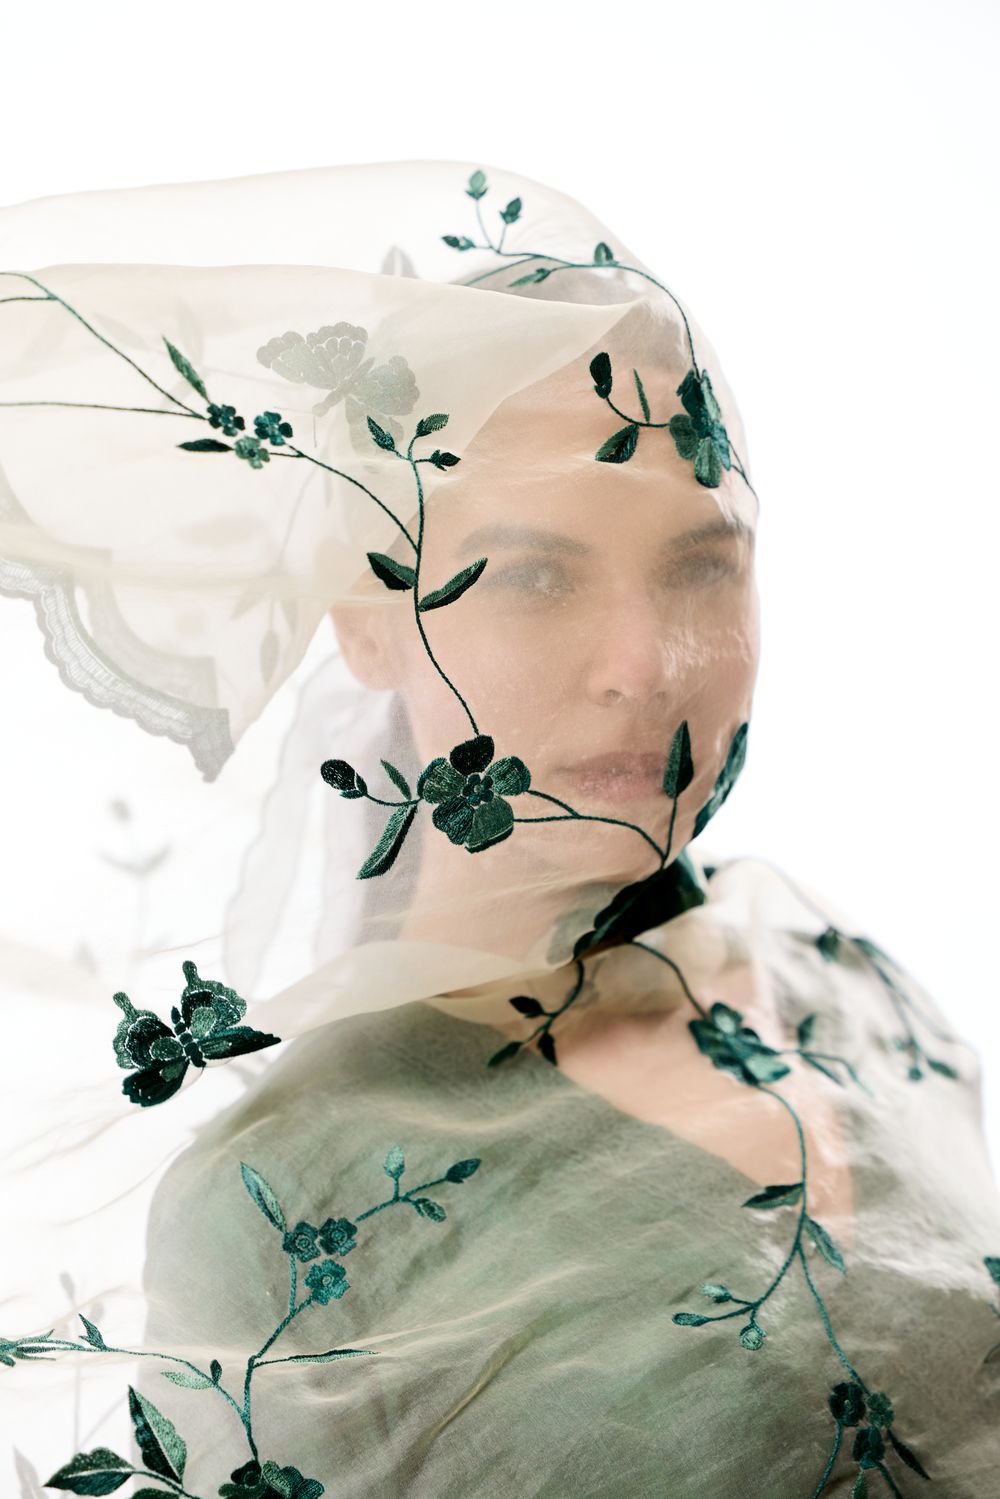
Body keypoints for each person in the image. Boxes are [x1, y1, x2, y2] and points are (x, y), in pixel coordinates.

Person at [0, 160, 997, 1499]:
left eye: (703, 565)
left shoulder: (845, 983)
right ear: (367, 620)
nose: (643, 665)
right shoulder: (289, 1199)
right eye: (532, 576)